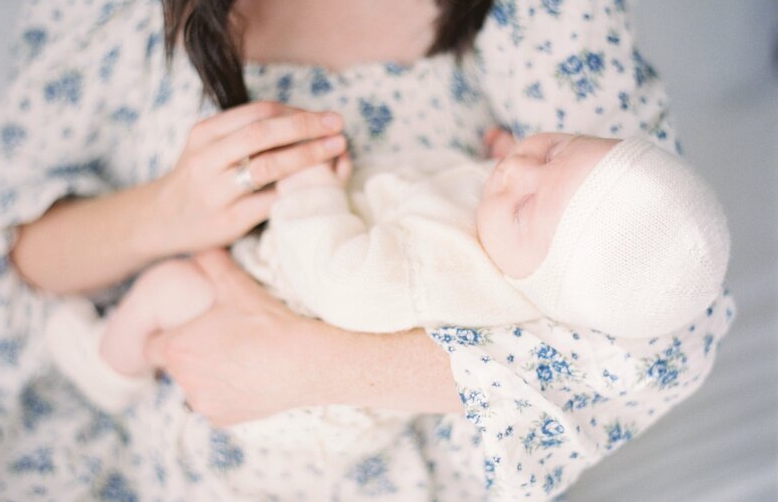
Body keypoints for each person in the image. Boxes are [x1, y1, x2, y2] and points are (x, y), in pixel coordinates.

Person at [0, 0, 736, 502]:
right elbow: (9, 250)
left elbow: (660, 325)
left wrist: (309, 366)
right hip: (143, 450)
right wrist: (165, 213)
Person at [42, 130, 730, 421]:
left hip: (285, 294)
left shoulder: (446, 274)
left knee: (167, 287)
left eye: (525, 203)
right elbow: (523, 184)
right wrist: (512, 149)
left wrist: (311, 186)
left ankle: (109, 371)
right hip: (302, 281)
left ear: (543, 286)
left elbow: (337, 279)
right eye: (554, 149)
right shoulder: (513, 230)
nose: (515, 170)